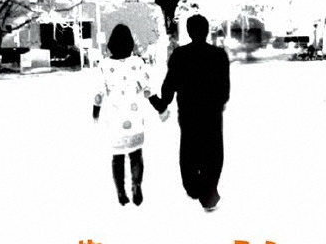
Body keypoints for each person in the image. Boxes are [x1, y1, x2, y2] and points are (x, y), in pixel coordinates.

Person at [151, 14, 230, 212]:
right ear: (207, 30)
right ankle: (209, 193)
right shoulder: (218, 55)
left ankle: (193, 186)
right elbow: (224, 87)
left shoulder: (180, 54)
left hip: (188, 112)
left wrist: (164, 102)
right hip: (211, 113)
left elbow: (169, 83)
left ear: (189, 31)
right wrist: (219, 103)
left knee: (189, 151)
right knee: (213, 153)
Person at [92, 24, 154, 206]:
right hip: (134, 115)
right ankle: (136, 185)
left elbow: (99, 92)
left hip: (115, 116)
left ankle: (120, 191)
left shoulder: (104, 65)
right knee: (136, 154)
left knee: (117, 156)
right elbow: (147, 87)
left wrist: (95, 110)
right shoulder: (138, 63)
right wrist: (153, 99)